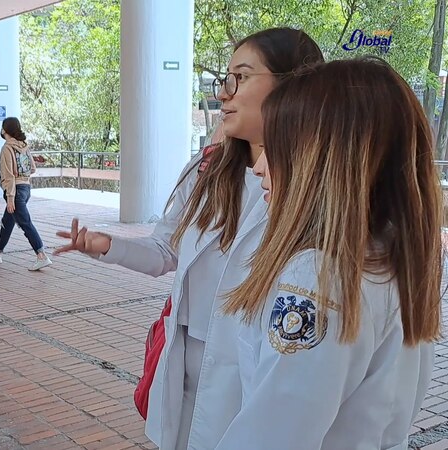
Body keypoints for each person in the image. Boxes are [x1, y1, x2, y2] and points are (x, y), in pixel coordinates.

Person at [55, 28, 323, 449]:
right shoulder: (208, 169)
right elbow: (166, 250)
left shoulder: (318, 189)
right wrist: (106, 246)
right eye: (225, 78)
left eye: (241, 77)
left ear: (293, 85)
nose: (224, 93)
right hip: (185, 359)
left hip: (257, 369)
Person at [215, 57, 439, 450]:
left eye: (275, 146)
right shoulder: (393, 256)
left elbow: (274, 436)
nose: (260, 166)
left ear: (320, 159)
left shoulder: (318, 276)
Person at [0, 117, 53, 271]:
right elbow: (32, 169)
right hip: (26, 189)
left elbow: (9, 176)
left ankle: (41, 255)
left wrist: (10, 197)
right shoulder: (25, 146)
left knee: (25, 223)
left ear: (5, 130)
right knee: (7, 222)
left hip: (15, 191)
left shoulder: (7, 148)